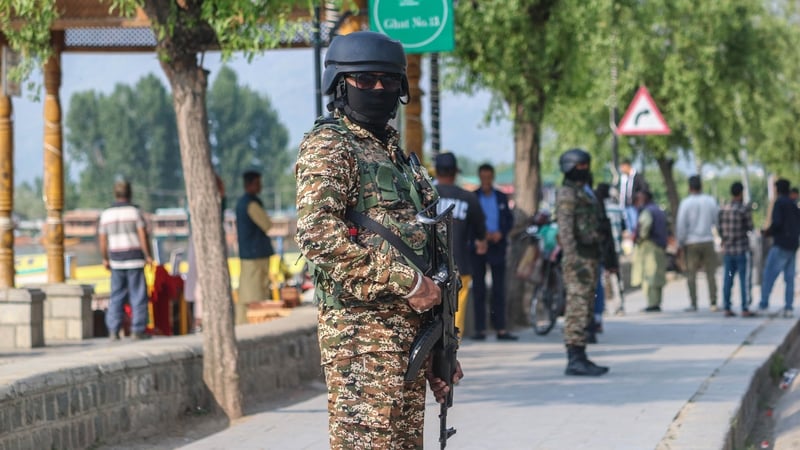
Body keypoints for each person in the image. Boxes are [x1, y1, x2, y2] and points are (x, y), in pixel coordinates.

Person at [294, 31, 462, 448]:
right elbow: (316, 233)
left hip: (408, 342)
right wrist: (405, 283)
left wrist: (441, 348)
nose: (378, 89)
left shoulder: (397, 158)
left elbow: (428, 249)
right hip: (362, 343)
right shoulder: (332, 145)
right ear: (339, 84)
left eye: (388, 81)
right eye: (364, 80)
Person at [556, 148, 608, 376]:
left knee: (585, 307)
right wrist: (573, 259)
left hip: (590, 256)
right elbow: (566, 230)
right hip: (578, 259)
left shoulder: (583, 191)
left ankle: (582, 354)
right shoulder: (568, 193)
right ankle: (574, 358)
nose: (585, 171)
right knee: (577, 308)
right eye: (581, 166)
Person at [434, 152, 488, 339]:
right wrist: (481, 241)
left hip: (430, 264)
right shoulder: (468, 198)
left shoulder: (426, 193)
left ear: (436, 171)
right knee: (457, 309)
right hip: (460, 263)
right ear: (456, 172)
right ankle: (452, 346)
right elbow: (480, 226)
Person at [98, 179, 154, 340]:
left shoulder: (106, 214)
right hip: (134, 258)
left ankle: (113, 330)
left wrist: (105, 258)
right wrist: (148, 255)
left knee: (116, 295)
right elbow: (143, 235)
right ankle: (138, 329)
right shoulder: (134, 212)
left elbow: (102, 239)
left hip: (116, 260)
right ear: (129, 193)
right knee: (138, 295)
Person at [471, 163, 517, 341]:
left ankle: (501, 328)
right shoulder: (473, 197)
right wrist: (479, 238)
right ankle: (480, 329)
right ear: (480, 177)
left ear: (493, 177)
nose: (486, 181)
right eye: (483, 177)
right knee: (479, 289)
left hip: (498, 246)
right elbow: (470, 223)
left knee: (499, 289)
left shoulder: (501, 197)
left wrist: (500, 233)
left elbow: (508, 220)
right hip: (479, 247)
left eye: (489, 177)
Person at [235, 170, 274, 325]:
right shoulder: (250, 204)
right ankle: (250, 323)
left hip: (251, 254)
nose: (260, 187)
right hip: (255, 255)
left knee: (248, 290)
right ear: (250, 185)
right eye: (258, 183)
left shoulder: (243, 203)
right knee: (255, 293)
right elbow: (267, 224)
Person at [676, 175, 719, 312]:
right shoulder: (710, 201)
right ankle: (713, 302)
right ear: (701, 186)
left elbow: (681, 225)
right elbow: (716, 221)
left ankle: (693, 303)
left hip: (691, 242)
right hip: (707, 240)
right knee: (710, 273)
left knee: (691, 274)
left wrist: (680, 242)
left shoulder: (686, 203)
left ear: (689, 188)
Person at [758, 178, 800, 318]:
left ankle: (764, 304)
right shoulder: (793, 205)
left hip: (781, 244)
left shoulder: (780, 203)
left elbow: (777, 223)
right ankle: (788, 307)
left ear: (777, 189)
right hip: (792, 245)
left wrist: (767, 232)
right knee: (789, 278)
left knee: (769, 274)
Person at [718, 182, 756, 317]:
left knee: (728, 278)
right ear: (741, 193)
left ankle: (726, 306)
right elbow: (750, 227)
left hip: (728, 251)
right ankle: (745, 308)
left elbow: (720, 229)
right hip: (741, 249)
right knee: (744, 280)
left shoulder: (723, 209)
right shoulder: (743, 209)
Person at [589, 182, 620, 342]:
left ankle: (594, 319)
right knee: (600, 285)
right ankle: (598, 317)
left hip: (595, 252)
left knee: (596, 286)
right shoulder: (607, 208)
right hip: (605, 252)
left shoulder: (596, 207)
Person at [631, 190, 668, 312]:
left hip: (649, 246)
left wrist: (639, 238)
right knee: (657, 275)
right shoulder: (658, 210)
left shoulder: (647, 211)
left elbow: (644, 227)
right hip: (659, 246)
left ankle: (652, 303)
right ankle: (656, 301)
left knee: (649, 275)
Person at [618, 159, 647, 236]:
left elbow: (644, 188)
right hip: (626, 205)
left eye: (622, 167)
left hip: (634, 206)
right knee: (629, 226)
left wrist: (637, 198)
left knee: (635, 225)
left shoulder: (637, 176)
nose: (622, 169)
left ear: (627, 166)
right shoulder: (624, 178)